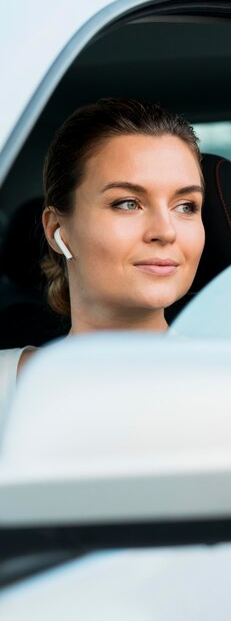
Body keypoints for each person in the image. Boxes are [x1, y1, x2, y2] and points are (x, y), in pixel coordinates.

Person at [0, 98, 205, 415]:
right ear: (58, 229)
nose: (166, 231)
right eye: (127, 203)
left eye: (186, 206)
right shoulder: (5, 384)